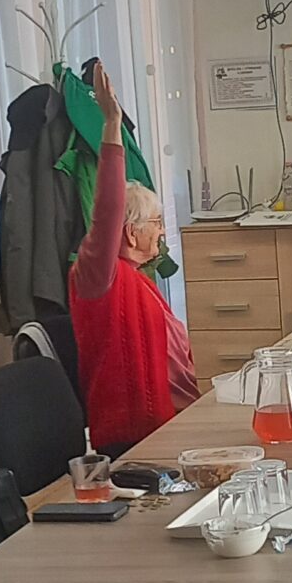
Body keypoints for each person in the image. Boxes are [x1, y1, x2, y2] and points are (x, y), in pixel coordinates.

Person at [70, 61, 198, 453]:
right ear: (128, 231)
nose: (162, 232)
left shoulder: (141, 281)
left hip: (170, 428)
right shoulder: (99, 276)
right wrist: (111, 124)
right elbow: (107, 209)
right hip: (133, 442)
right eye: (157, 223)